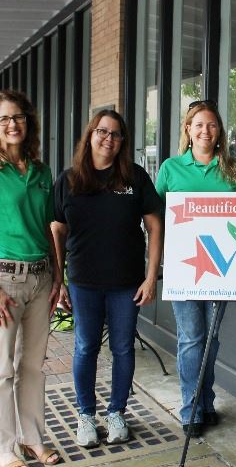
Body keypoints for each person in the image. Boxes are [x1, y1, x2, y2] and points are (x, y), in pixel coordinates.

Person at [51, 110, 162, 448]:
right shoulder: (69, 180)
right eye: (102, 131)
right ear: (90, 135)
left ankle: (117, 412)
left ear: (122, 142)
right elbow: (57, 229)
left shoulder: (135, 177)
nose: (108, 139)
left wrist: (151, 276)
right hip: (84, 282)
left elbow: (156, 227)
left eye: (116, 134)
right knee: (85, 346)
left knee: (122, 348)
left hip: (126, 282)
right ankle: (86, 416)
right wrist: (59, 280)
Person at [0, 90, 62, 467]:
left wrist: (59, 276)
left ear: (28, 122)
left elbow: (50, 227)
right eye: (4, 118)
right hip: (3, 280)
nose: (12, 124)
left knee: (34, 366)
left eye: (18, 117)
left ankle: (33, 438)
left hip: (41, 279)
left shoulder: (41, 171)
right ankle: (3, 447)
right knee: (0, 368)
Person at [155, 100, 236, 437]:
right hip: (184, 265)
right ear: (188, 129)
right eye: (199, 124)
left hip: (222, 267)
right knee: (191, 338)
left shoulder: (234, 169)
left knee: (210, 337)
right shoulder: (171, 168)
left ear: (219, 131)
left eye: (211, 125)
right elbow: (153, 218)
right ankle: (190, 408)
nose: (206, 131)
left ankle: (206, 402)